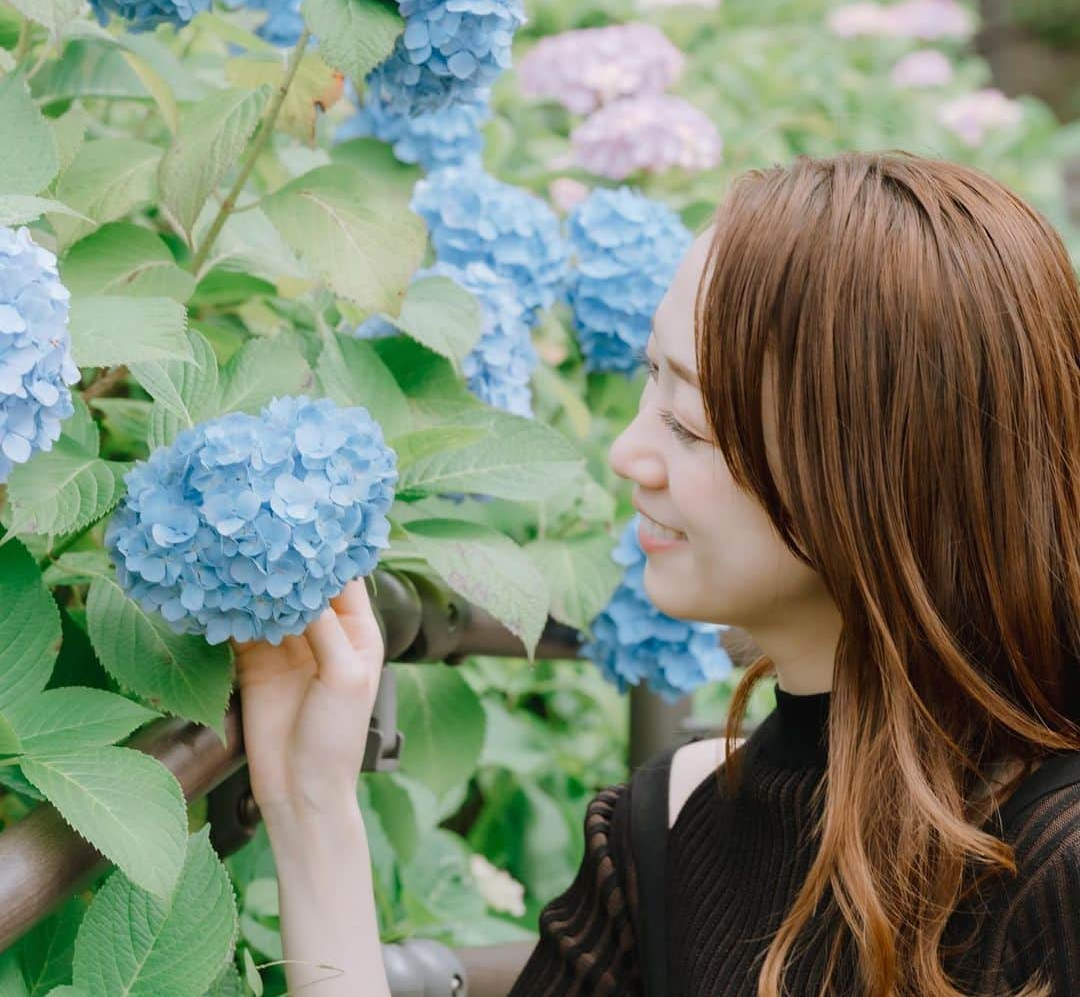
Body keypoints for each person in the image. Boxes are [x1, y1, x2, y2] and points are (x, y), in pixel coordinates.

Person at [233, 150, 1080, 996]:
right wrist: (311, 808)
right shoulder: (671, 829)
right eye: (650, 381)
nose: (627, 452)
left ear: (881, 479)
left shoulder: (1056, 866)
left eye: (691, 422)